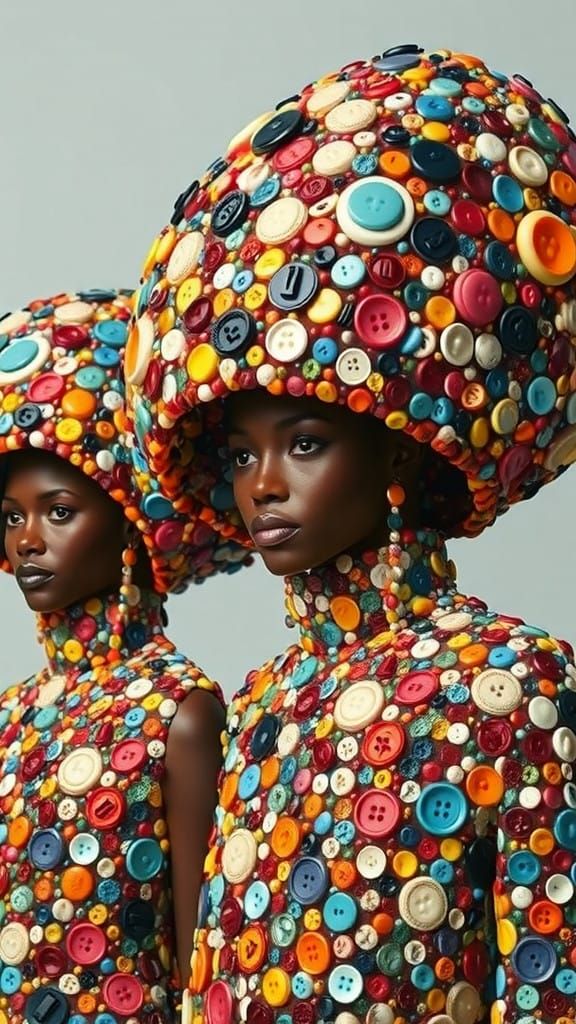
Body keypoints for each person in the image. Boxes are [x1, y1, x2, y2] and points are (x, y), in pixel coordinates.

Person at [126, 46, 576, 1024]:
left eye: (307, 441)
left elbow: (552, 986)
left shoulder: (516, 687)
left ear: (404, 452)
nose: (266, 485)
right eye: (240, 455)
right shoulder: (259, 709)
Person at [0, 289, 248, 1024]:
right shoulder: (11, 717)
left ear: (130, 520)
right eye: (11, 517)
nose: (28, 540)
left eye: (60, 511)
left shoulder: (181, 711)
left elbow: (203, 960)